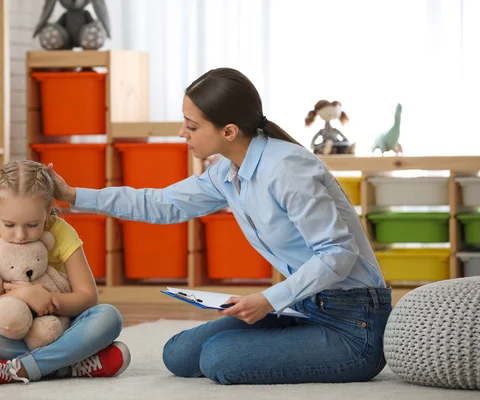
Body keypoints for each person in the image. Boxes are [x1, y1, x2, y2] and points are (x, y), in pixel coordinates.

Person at [47, 68, 391, 385]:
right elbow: (160, 204)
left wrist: (269, 299)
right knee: (178, 355)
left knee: (218, 358)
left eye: (191, 126)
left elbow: (337, 254)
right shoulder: (227, 172)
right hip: (303, 305)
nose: (183, 132)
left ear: (228, 131)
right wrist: (72, 195)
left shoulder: (287, 170)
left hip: (354, 323)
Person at [0, 160, 131, 387]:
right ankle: (69, 364)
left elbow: (88, 298)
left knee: (108, 317)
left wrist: (49, 299)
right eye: (9, 224)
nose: (20, 235)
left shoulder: (62, 232)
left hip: (62, 326)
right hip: (12, 332)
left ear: (47, 210)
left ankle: (21, 368)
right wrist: (23, 296)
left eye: (32, 224)